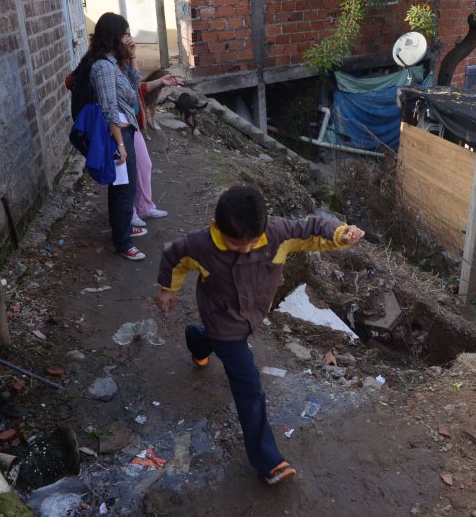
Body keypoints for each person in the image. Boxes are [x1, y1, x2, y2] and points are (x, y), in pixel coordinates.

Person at [155, 184, 365, 485]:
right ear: (217, 227)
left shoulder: (278, 234)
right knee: (249, 387)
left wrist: (339, 233)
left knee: (213, 344)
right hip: (221, 318)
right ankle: (267, 460)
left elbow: (312, 228)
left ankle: (197, 342)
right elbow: (173, 257)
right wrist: (167, 289)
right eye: (235, 244)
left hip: (253, 314)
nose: (246, 250)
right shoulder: (200, 245)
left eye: (252, 243)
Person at [80, 12, 147, 261]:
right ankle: (123, 242)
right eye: (125, 34)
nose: (129, 38)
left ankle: (123, 229)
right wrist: (120, 144)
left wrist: (132, 58)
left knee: (123, 186)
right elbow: (109, 108)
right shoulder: (102, 67)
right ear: (114, 37)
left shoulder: (112, 63)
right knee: (123, 189)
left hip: (125, 128)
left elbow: (132, 89)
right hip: (117, 132)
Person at [129, 73, 181, 228]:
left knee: (144, 164)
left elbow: (136, 84)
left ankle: (144, 207)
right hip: (118, 125)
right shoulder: (105, 65)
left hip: (132, 122)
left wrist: (160, 81)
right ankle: (127, 216)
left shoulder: (124, 60)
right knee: (124, 174)